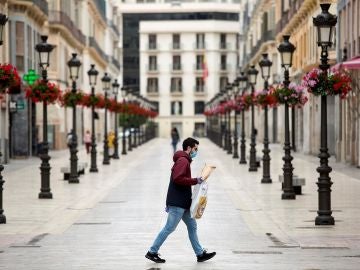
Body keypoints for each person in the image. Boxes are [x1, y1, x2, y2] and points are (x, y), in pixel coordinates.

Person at [145, 137, 216, 263]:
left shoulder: (183, 160)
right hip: (178, 203)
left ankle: (200, 254)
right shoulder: (183, 160)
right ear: (188, 148)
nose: (196, 151)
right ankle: (152, 251)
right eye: (195, 149)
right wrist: (196, 180)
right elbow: (178, 178)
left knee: (192, 226)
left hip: (183, 202)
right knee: (169, 228)